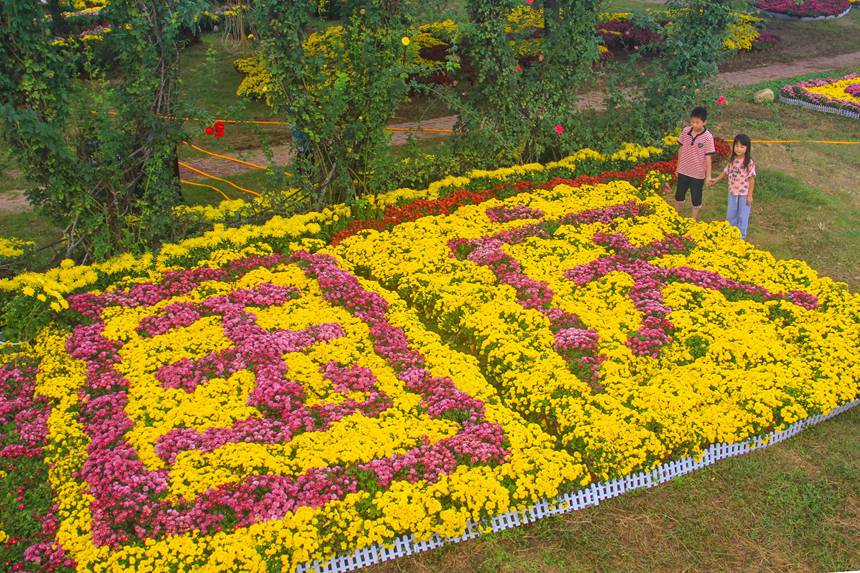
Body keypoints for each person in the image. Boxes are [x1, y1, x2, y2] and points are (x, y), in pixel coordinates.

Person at [709, 134, 756, 239]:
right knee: (731, 216)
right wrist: (715, 180)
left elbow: (751, 179)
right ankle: (730, 235)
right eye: (737, 146)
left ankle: (740, 238)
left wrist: (750, 196)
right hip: (733, 193)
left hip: (744, 194)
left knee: (742, 216)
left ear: (747, 148)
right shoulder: (733, 160)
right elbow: (725, 171)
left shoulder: (749, 162)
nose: (739, 149)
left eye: (742, 147)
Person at [675, 107, 716, 220]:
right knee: (679, 195)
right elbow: (680, 149)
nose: (694, 124)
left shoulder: (708, 137)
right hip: (683, 170)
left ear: (704, 122)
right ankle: (674, 216)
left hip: (697, 174)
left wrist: (708, 176)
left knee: (696, 198)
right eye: (692, 122)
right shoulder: (685, 131)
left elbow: (708, 157)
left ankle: (692, 220)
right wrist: (678, 168)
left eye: (697, 122)